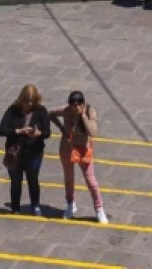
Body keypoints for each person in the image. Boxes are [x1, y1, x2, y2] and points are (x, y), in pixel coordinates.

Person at [49, 90, 107, 223]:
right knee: (68, 177)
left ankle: (99, 208)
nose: (74, 109)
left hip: (83, 149)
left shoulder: (89, 111)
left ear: (82, 104)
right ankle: (70, 203)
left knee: (90, 180)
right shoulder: (66, 110)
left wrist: (83, 117)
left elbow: (93, 132)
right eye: (72, 106)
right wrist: (62, 129)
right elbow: (50, 113)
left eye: (77, 106)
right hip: (67, 148)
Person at [0, 84, 51, 216]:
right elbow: (1, 130)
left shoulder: (41, 111)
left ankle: (35, 205)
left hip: (33, 153)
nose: (28, 105)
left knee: (33, 180)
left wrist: (38, 134)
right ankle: (15, 206)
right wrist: (18, 131)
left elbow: (47, 132)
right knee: (15, 181)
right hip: (15, 152)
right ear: (21, 99)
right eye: (26, 102)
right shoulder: (12, 110)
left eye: (32, 102)